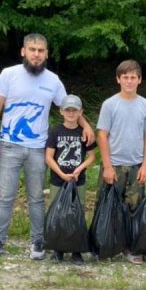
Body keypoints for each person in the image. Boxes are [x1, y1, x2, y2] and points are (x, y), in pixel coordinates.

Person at [0, 34, 93, 260]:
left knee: (36, 198)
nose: (36, 54)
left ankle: (38, 242)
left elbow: (68, 107)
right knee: (5, 196)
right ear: (23, 51)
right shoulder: (8, 75)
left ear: (46, 54)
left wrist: (87, 126)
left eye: (40, 50)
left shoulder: (53, 80)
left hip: (38, 147)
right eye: (32, 49)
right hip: (9, 144)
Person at [96, 59, 146, 264]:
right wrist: (107, 166)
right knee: (108, 206)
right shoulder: (110, 104)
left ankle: (130, 247)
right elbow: (102, 135)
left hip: (136, 165)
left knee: (134, 209)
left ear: (139, 80)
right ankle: (105, 244)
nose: (129, 81)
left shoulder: (145, 105)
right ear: (118, 79)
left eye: (133, 77)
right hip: (114, 165)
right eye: (125, 77)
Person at [45, 94, 97, 264]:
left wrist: (79, 169)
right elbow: (49, 157)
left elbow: (91, 156)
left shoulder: (84, 133)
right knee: (57, 212)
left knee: (77, 213)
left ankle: (76, 249)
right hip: (58, 180)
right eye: (68, 110)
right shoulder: (55, 131)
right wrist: (61, 174)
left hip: (77, 180)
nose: (71, 113)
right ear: (61, 111)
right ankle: (58, 248)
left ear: (80, 112)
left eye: (75, 110)